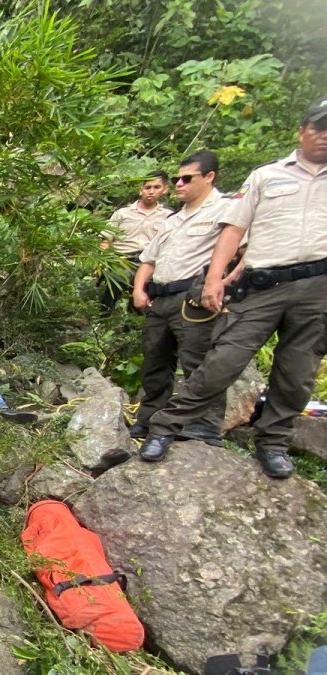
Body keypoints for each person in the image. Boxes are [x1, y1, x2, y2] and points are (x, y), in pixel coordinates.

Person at [139, 97, 327, 478]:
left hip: (317, 287)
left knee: (297, 372)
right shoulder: (267, 176)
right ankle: (165, 426)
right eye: (318, 127)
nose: (324, 136)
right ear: (302, 131)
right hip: (263, 284)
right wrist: (215, 279)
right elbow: (234, 231)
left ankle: (273, 442)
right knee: (219, 363)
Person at [130, 151, 237, 446]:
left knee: (199, 363)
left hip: (194, 299)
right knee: (155, 363)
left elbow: (245, 251)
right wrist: (139, 289)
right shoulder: (172, 219)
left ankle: (204, 424)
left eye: (186, 178)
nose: (178, 184)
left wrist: (221, 283)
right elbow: (148, 260)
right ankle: (150, 419)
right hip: (160, 298)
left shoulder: (226, 210)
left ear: (209, 177)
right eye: (176, 178)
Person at [100, 171, 173, 309]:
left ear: (165, 189)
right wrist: (102, 262)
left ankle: (134, 325)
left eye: (156, 187)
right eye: (147, 187)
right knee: (115, 283)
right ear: (141, 190)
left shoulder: (168, 216)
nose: (151, 191)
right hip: (122, 260)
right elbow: (106, 239)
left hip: (149, 263)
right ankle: (103, 318)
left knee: (145, 292)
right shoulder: (123, 212)